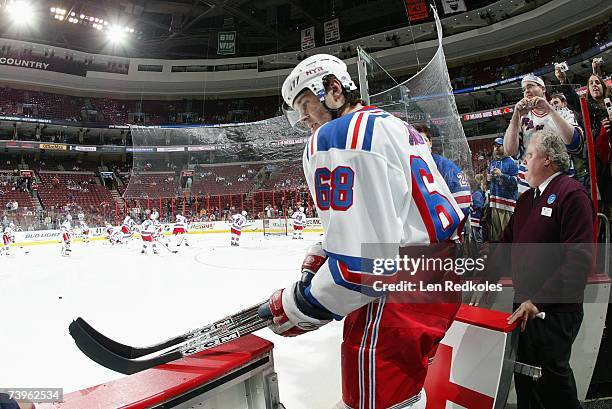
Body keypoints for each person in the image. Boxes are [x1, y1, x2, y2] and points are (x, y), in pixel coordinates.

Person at [266, 54, 465, 409]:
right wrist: (324, 251)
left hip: (398, 298)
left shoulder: (337, 136)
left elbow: (365, 264)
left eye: (306, 104)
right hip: (438, 282)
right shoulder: (394, 125)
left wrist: (301, 306)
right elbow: (395, 212)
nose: (303, 118)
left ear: (334, 90)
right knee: (407, 395)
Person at [488, 130, 594, 409]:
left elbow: (579, 260)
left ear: (548, 159)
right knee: (527, 386)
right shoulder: (526, 200)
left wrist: (538, 301)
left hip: (554, 311)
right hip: (523, 310)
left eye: (530, 155)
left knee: (553, 387)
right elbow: (505, 246)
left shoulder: (572, 195)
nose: (524, 162)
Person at [504, 74, 583, 196]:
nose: (526, 91)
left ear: (543, 89)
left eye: (530, 86)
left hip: (558, 176)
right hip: (528, 181)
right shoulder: (521, 117)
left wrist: (549, 110)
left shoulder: (562, 112)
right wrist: (515, 115)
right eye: (524, 89)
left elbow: (574, 142)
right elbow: (509, 150)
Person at [555, 63, 611, 218]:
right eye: (591, 83)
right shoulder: (588, 108)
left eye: (597, 82)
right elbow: (573, 99)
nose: (594, 85)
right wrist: (563, 80)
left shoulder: (610, 104)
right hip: (599, 165)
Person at [413, 124, 472, 222]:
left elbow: (463, 201)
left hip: (444, 229)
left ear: (430, 143)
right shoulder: (410, 165)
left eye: (423, 140)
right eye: (415, 141)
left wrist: (449, 227)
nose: (420, 145)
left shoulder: (444, 166)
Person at [487, 137, 518, 242]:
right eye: (495, 146)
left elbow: (516, 183)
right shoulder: (492, 163)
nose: (496, 148)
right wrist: (488, 179)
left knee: (508, 234)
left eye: (499, 145)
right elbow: (488, 181)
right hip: (494, 203)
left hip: (507, 204)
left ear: (505, 146)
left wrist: (502, 175)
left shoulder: (511, 162)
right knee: (497, 236)